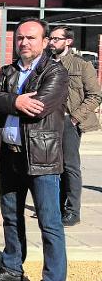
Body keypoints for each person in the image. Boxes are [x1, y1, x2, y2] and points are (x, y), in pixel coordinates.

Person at [0, 18, 68, 281]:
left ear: (44, 42)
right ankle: (12, 269)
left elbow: (38, 107)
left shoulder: (54, 72)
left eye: (31, 38)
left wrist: (6, 101)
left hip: (42, 158)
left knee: (49, 223)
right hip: (9, 155)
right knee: (10, 216)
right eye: (20, 37)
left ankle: (53, 277)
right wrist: (16, 100)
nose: (24, 42)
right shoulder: (8, 71)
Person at [49, 25, 101, 227]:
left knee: (70, 166)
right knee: (52, 166)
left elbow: (95, 95)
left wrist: (74, 118)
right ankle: (55, 207)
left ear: (68, 41)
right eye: (50, 38)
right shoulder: (44, 64)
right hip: (47, 122)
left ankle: (72, 211)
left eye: (56, 39)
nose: (51, 42)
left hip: (69, 121)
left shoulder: (81, 65)